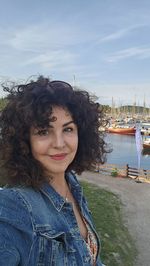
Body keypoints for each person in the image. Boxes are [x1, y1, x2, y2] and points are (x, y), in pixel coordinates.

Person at [0, 76, 108, 266]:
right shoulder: (13, 207)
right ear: (25, 141)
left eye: (68, 129)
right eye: (43, 131)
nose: (59, 144)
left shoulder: (72, 185)